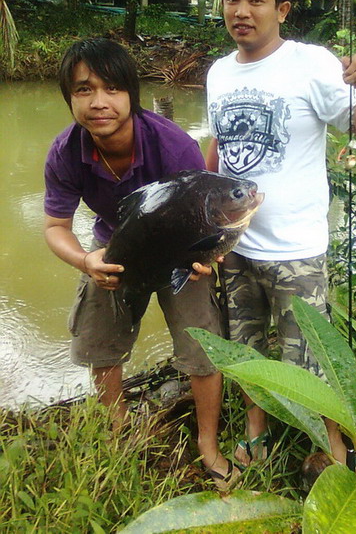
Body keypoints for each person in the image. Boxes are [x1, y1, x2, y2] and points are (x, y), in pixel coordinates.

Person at [205, 0, 356, 467]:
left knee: (311, 355)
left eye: (255, 0)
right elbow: (218, 146)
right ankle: (256, 434)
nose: (241, 10)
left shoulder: (312, 63)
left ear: (281, 9)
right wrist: (205, 213)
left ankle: (327, 448)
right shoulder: (219, 72)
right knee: (244, 347)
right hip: (237, 242)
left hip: (297, 248)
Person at [44, 38, 237, 488]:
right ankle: (117, 432)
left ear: (130, 93)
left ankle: (208, 444)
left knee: (202, 349)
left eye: (112, 89)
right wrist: (85, 260)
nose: (98, 103)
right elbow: (55, 227)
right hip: (114, 250)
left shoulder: (174, 146)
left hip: (179, 256)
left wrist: (210, 255)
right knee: (101, 347)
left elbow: (211, 216)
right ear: (69, 97)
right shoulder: (65, 152)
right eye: (83, 90)